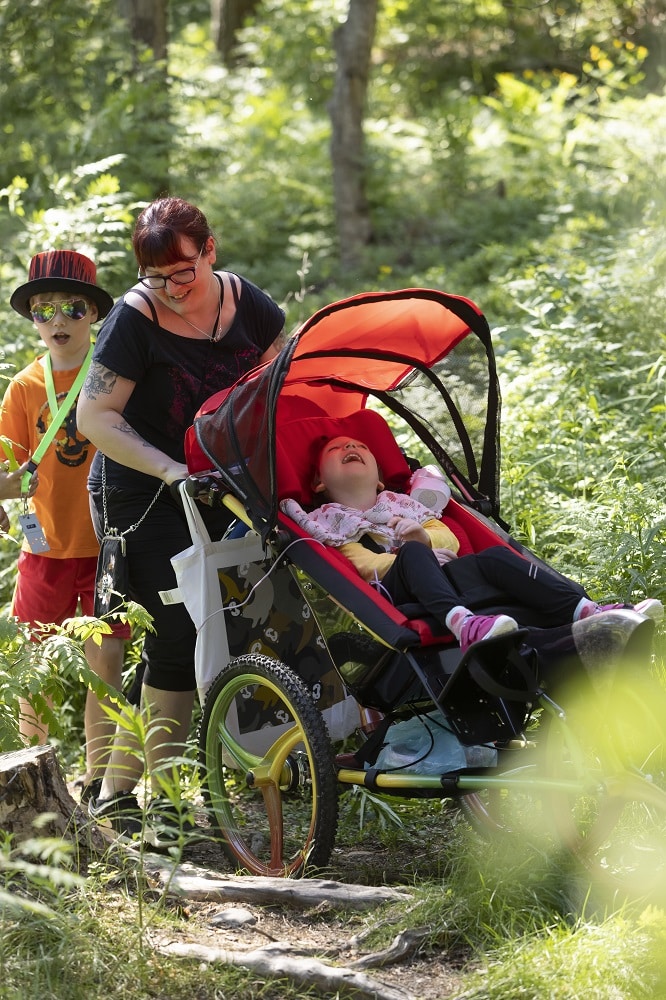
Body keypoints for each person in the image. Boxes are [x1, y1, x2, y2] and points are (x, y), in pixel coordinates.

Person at [77, 196, 286, 841]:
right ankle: (137, 799)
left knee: (232, 623)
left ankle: (159, 787)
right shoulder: (131, 322)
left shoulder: (247, 303)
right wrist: (173, 473)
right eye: (156, 277)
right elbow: (94, 419)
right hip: (140, 490)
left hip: (224, 481)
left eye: (183, 272)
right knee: (174, 631)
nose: (171, 289)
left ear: (210, 251)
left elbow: (281, 382)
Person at [281, 436, 663, 650]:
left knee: (496, 557)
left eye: (361, 446)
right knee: (414, 553)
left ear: (381, 479)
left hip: (447, 575)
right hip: (395, 592)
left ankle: (588, 610)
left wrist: (423, 537)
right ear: (318, 483)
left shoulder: (401, 503)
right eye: (336, 450)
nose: (352, 447)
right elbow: (359, 565)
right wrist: (410, 551)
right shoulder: (327, 521)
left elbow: (448, 536)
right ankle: (465, 626)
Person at [2, 250, 131, 800]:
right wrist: (15, 481)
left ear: (94, 315)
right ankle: (35, 785)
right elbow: (5, 470)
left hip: (108, 549)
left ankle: (98, 783)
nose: (58, 320)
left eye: (74, 308)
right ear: (32, 316)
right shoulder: (26, 388)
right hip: (44, 549)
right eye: (45, 309)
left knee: (105, 665)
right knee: (35, 676)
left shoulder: (115, 374)